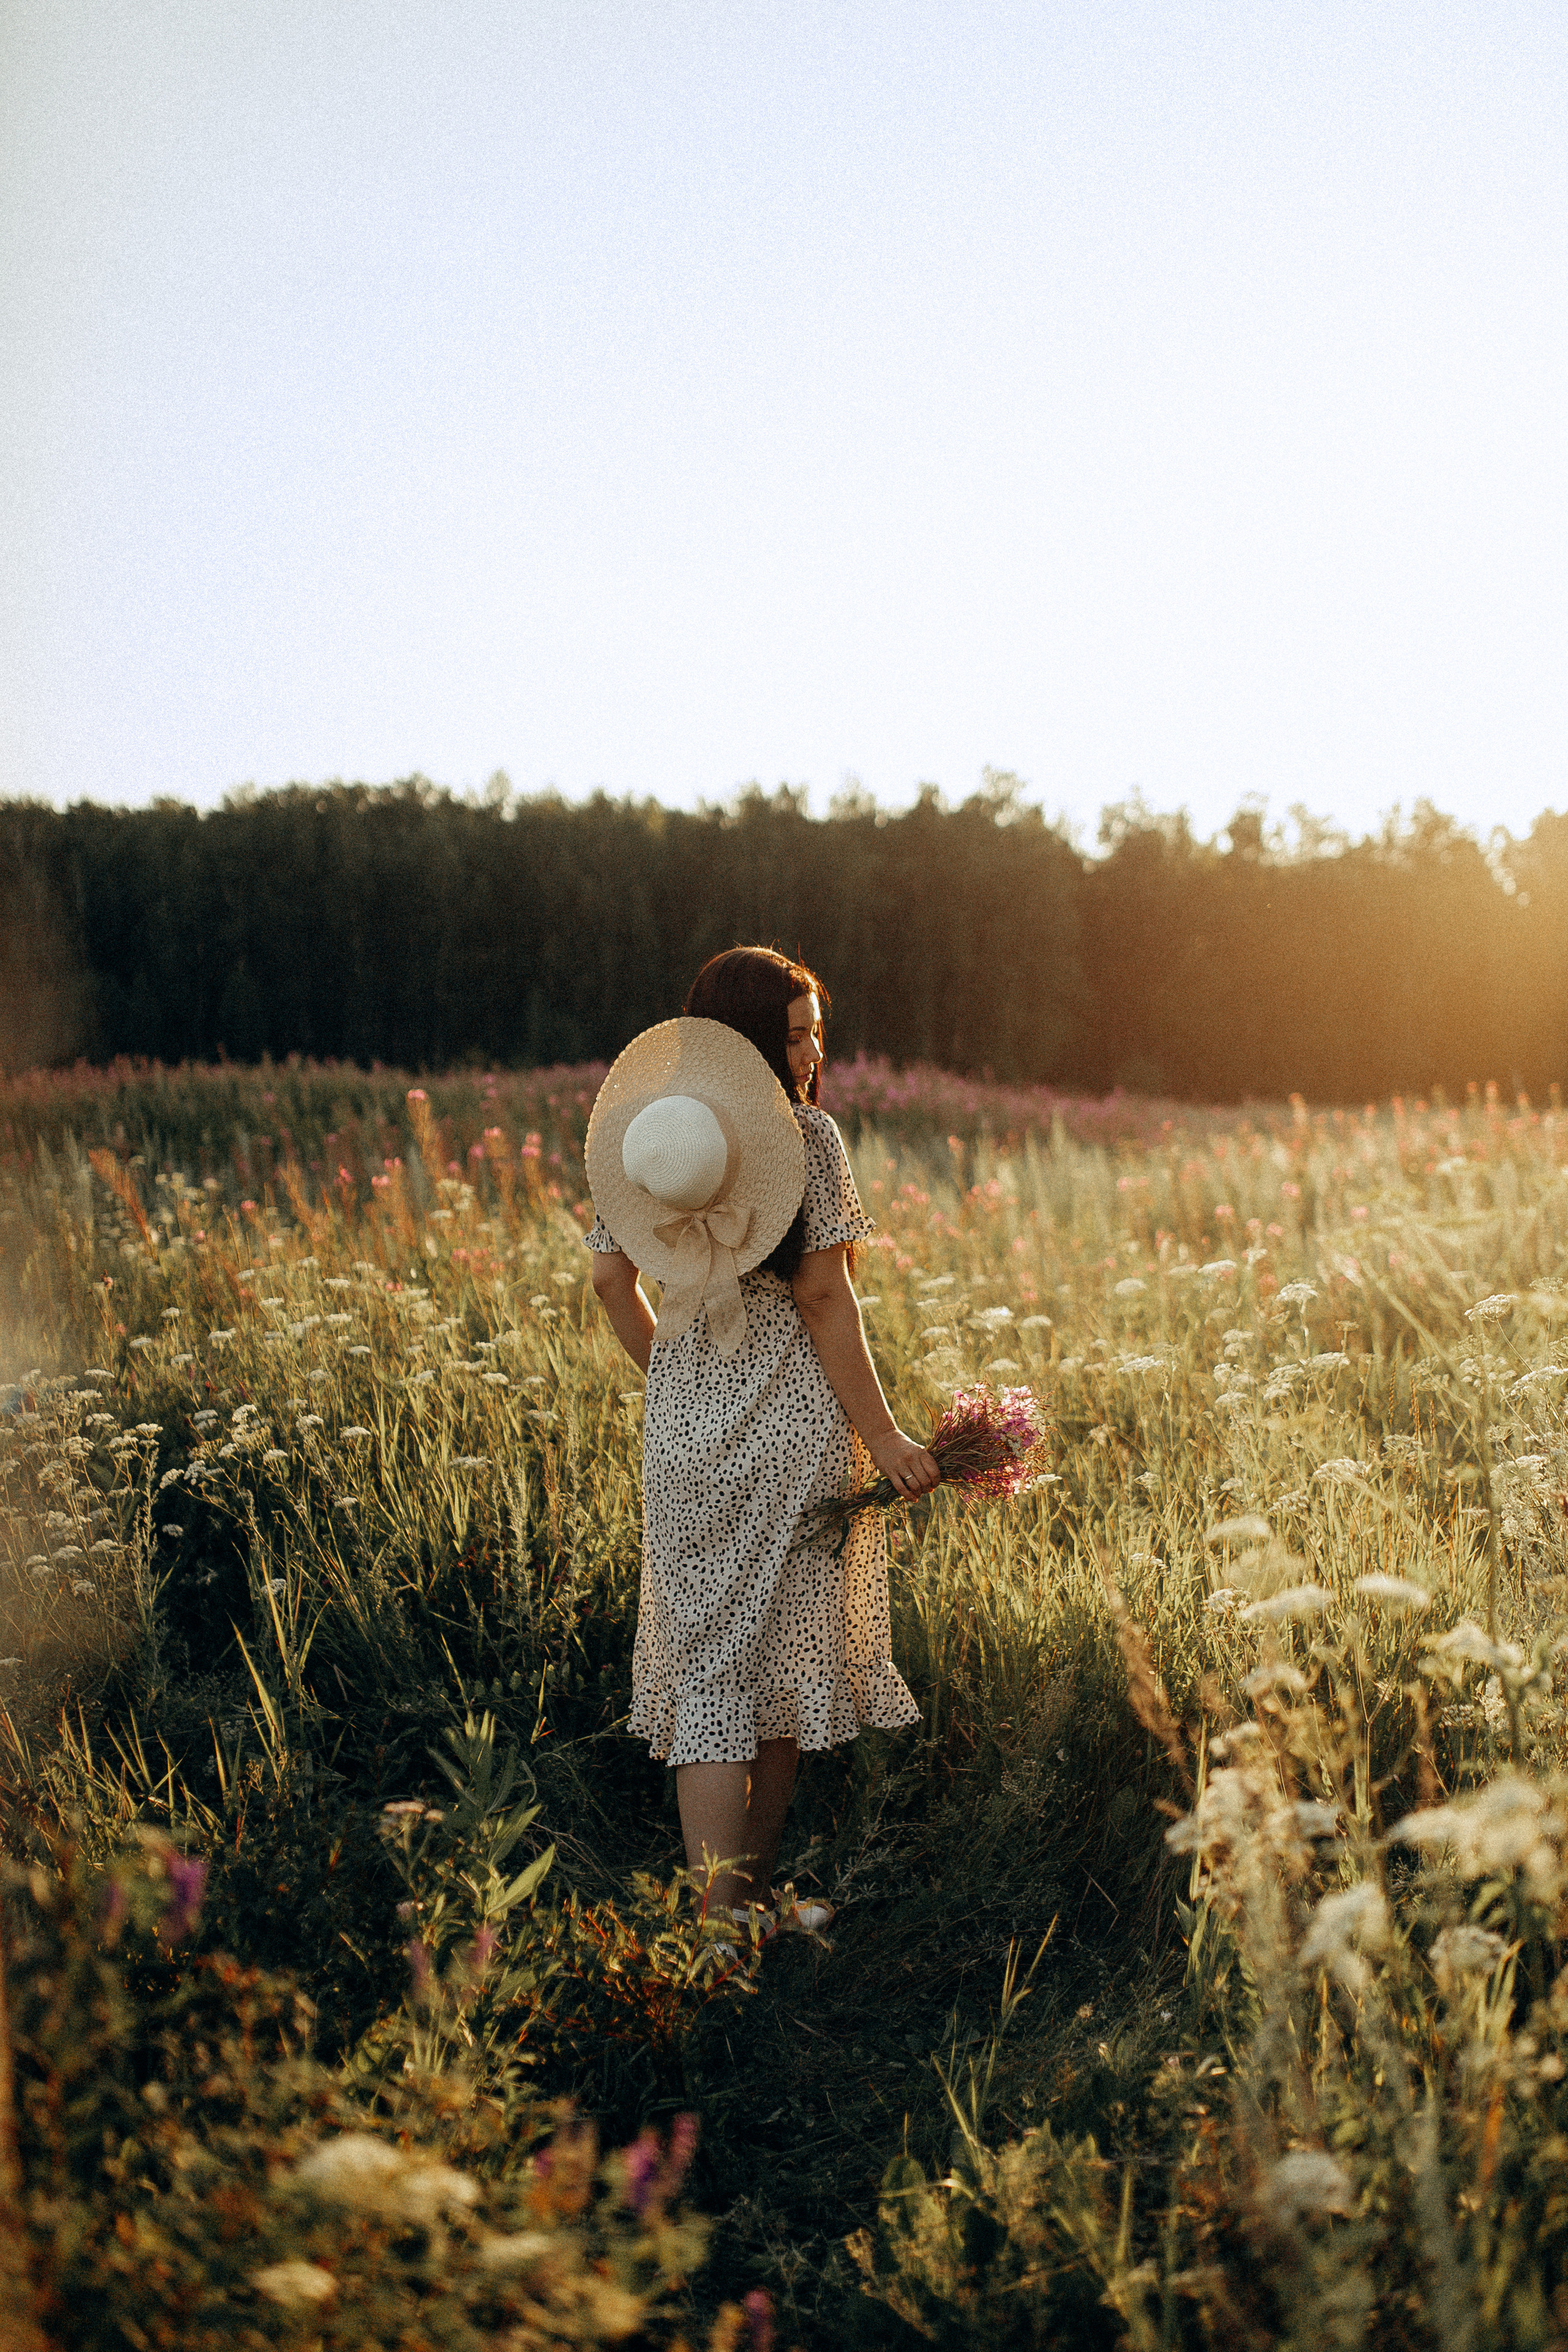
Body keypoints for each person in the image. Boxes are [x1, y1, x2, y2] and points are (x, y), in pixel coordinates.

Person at [584, 946, 939, 1928]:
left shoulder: (639, 1138)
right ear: (746, 1037)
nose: (812, 1054)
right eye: (793, 1035)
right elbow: (825, 1296)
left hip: (685, 1437)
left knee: (709, 1675)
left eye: (817, 1034)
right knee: (780, 1671)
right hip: (794, 1432)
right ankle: (744, 1910)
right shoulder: (806, 1140)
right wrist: (888, 1433)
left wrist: (676, 1383)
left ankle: (723, 1925)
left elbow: (613, 1284)